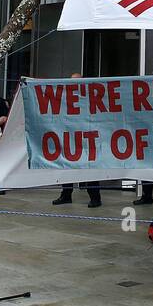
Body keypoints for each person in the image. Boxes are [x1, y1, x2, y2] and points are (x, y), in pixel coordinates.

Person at [52, 72, 102, 207]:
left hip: (86, 138)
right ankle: (66, 195)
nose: (73, 84)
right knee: (67, 166)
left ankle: (95, 197)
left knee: (90, 168)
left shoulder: (88, 97)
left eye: (76, 81)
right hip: (71, 137)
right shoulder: (64, 98)